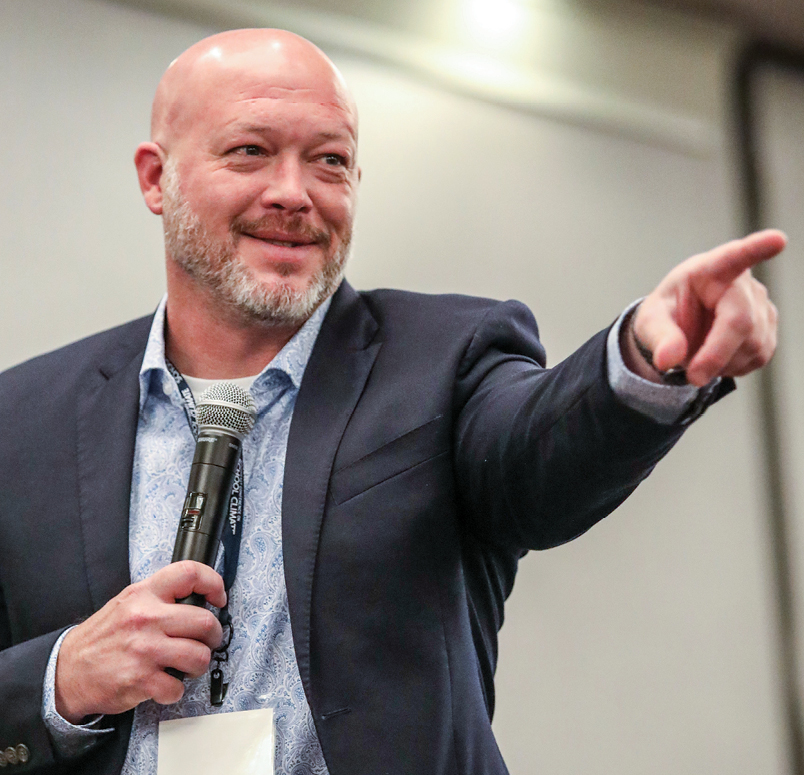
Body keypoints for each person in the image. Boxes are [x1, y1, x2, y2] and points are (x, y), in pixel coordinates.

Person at [0, 27, 783, 775]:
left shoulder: (445, 359)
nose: (293, 193)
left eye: (330, 161)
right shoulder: (22, 420)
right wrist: (62, 677)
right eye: (251, 151)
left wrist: (644, 356)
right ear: (155, 178)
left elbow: (539, 454)